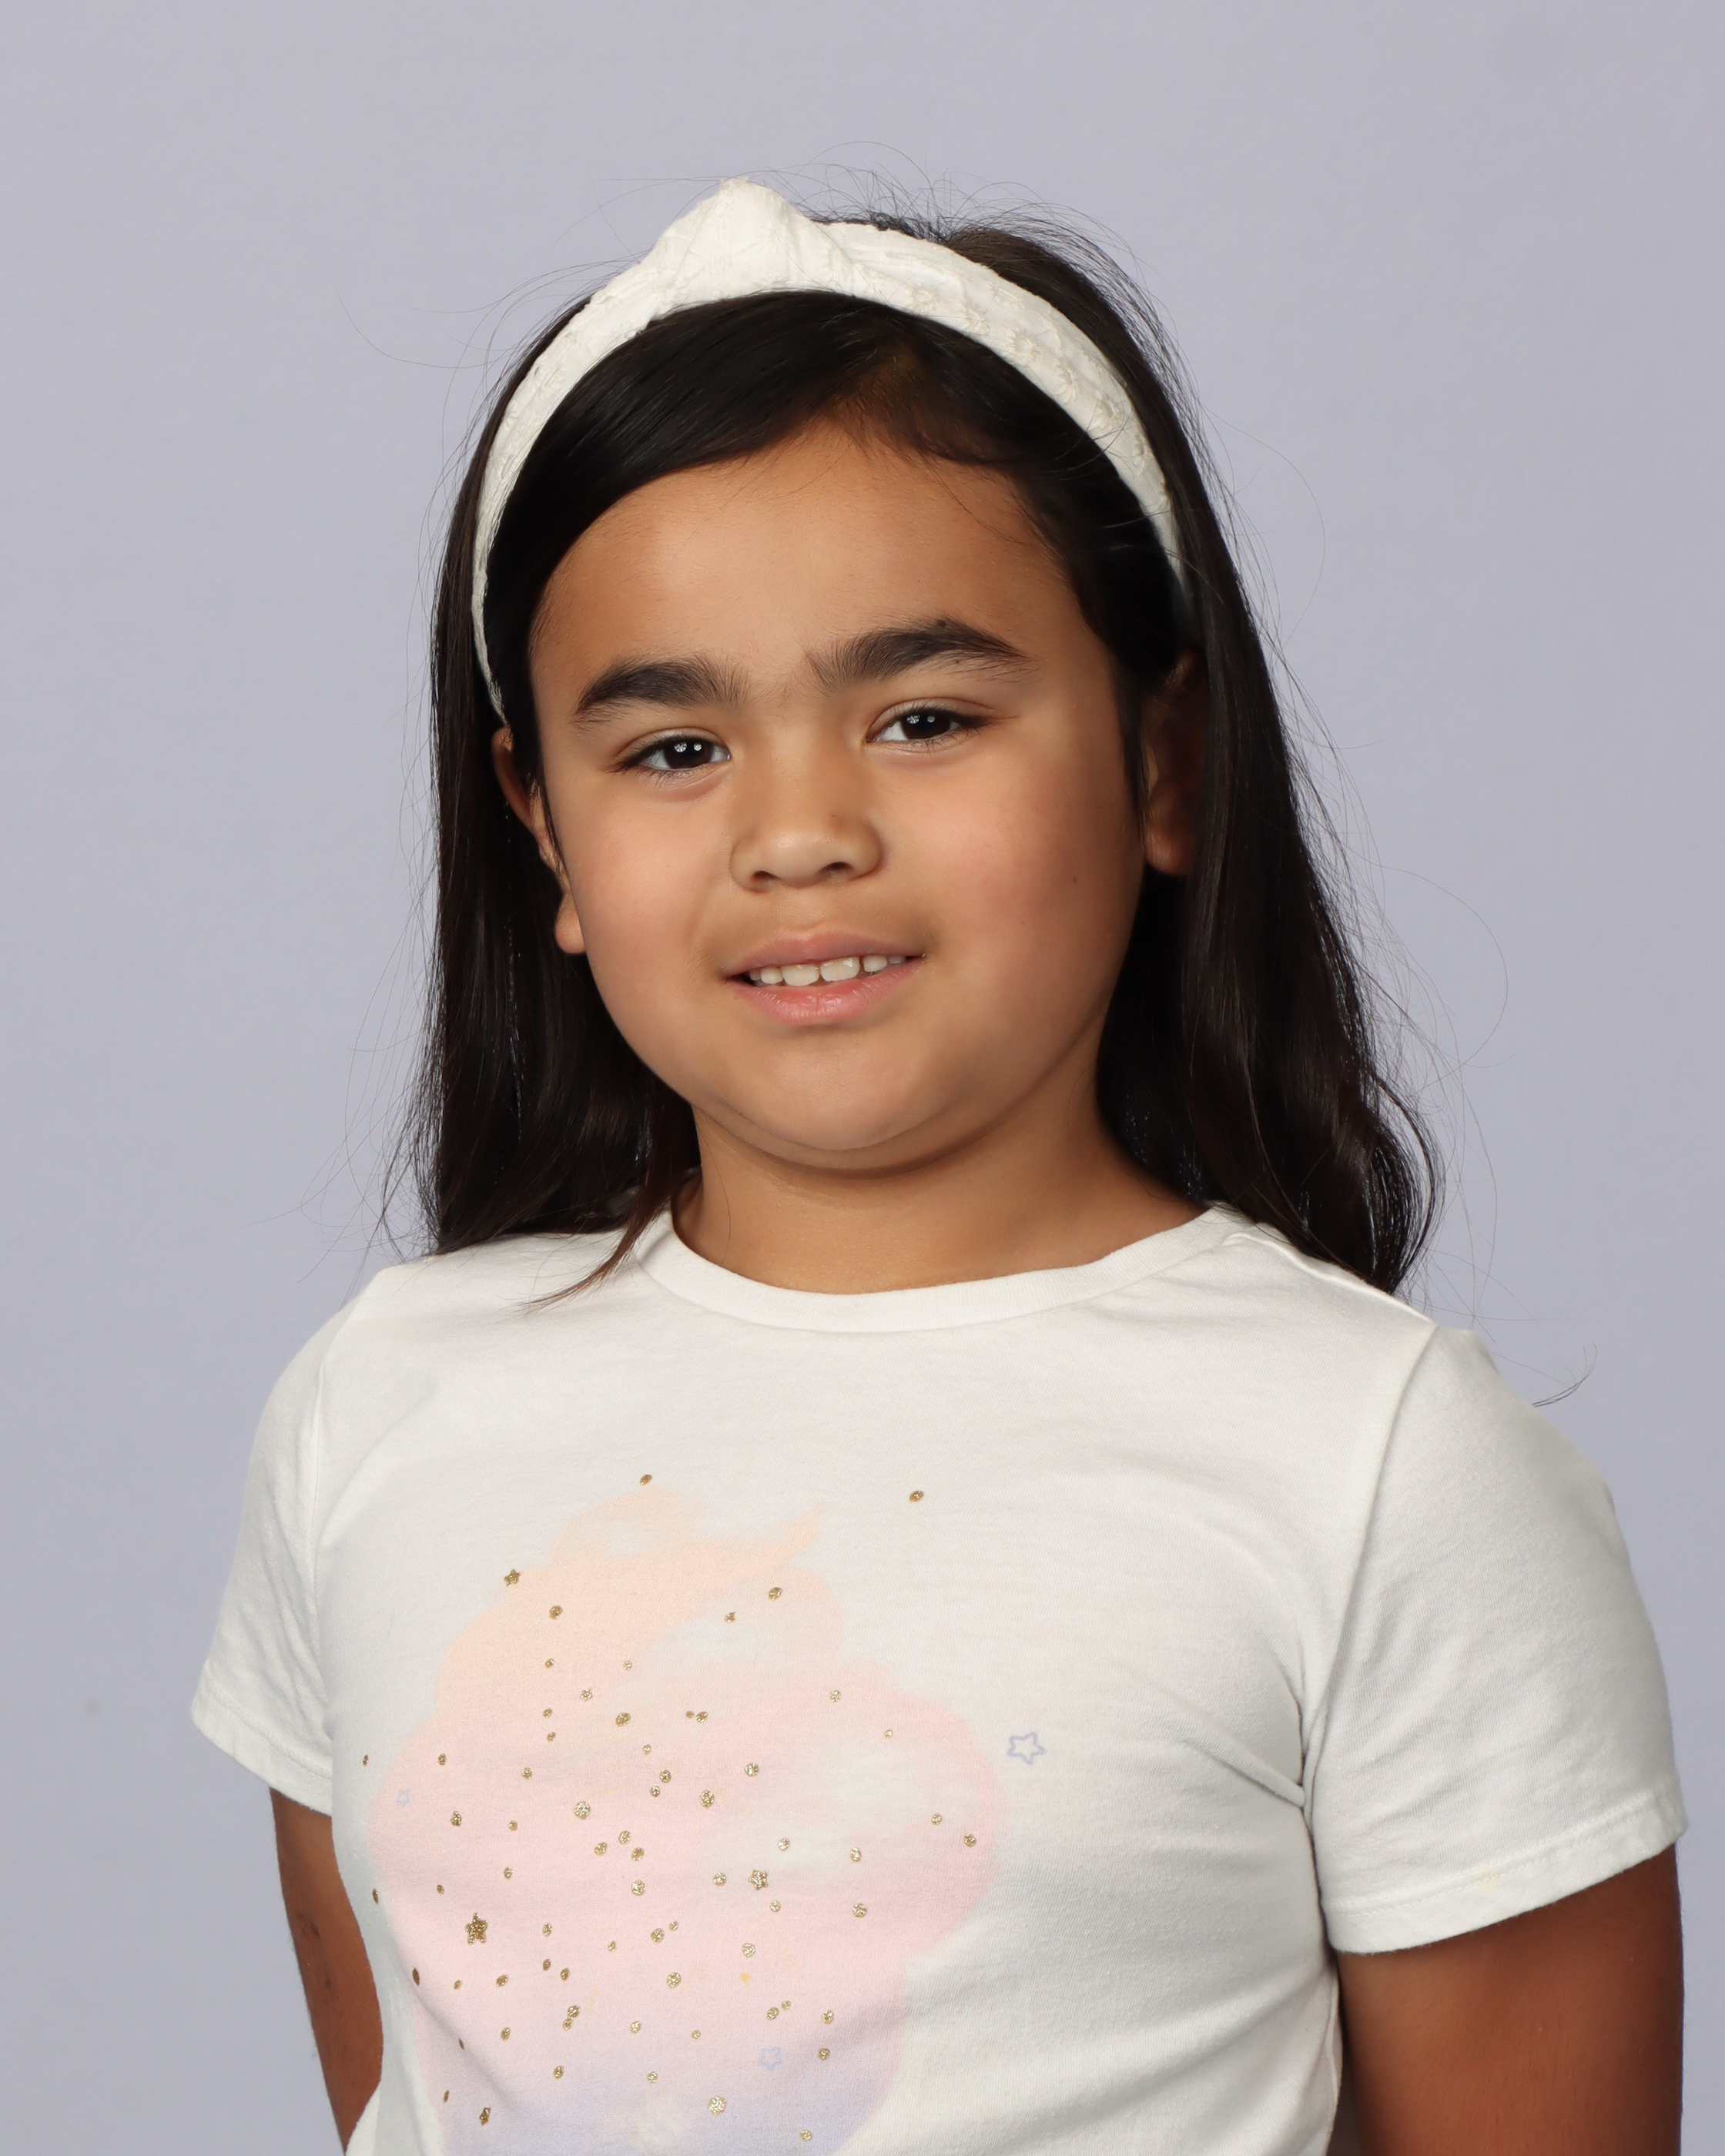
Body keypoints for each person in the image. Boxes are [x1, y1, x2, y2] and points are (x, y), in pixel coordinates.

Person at [193, 179, 1684, 2156]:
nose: (799, 832)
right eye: (671, 749)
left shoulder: (1385, 1470)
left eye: (921, 715)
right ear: (539, 824)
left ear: (1162, 762)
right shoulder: (374, 1408)